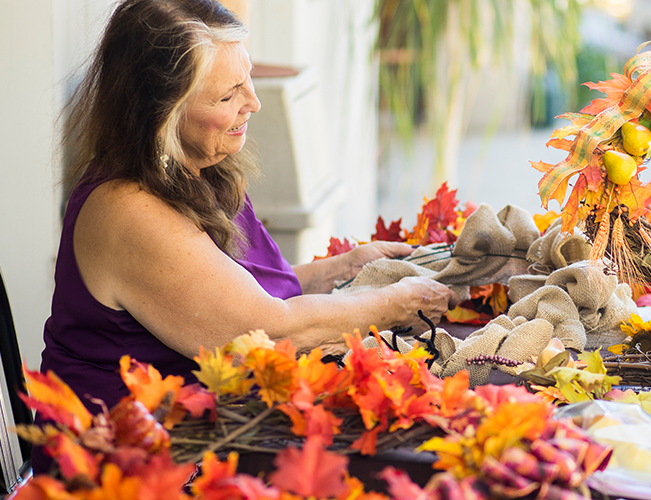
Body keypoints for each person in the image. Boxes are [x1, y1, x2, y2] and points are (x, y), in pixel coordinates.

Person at [39, 0, 459, 439]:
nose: (253, 103)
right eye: (228, 95)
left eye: (248, 79)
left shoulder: (192, 168)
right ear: (162, 112)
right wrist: (395, 303)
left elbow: (225, 292)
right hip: (128, 457)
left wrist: (340, 269)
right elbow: (263, 331)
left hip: (203, 426)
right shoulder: (128, 211)